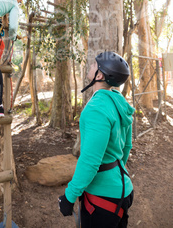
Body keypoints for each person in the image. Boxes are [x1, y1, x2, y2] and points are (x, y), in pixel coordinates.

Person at [58, 51, 135, 228]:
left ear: (99, 75)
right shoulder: (119, 102)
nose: (90, 66)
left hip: (103, 198)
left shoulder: (96, 109)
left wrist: (69, 197)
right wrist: (114, 172)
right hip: (123, 190)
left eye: (93, 64)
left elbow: (90, 161)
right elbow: (127, 146)